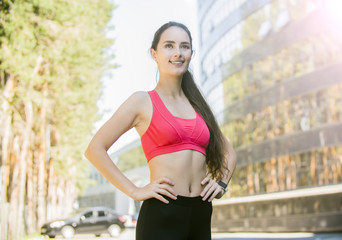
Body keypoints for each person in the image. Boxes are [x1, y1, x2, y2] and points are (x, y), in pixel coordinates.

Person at [84, 21, 236, 240]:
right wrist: (135, 191)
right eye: (169, 46)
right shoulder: (141, 101)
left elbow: (229, 153)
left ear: (192, 53)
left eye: (184, 46)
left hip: (201, 212)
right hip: (162, 213)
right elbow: (95, 149)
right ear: (154, 54)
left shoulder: (199, 106)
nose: (178, 53)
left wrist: (221, 183)